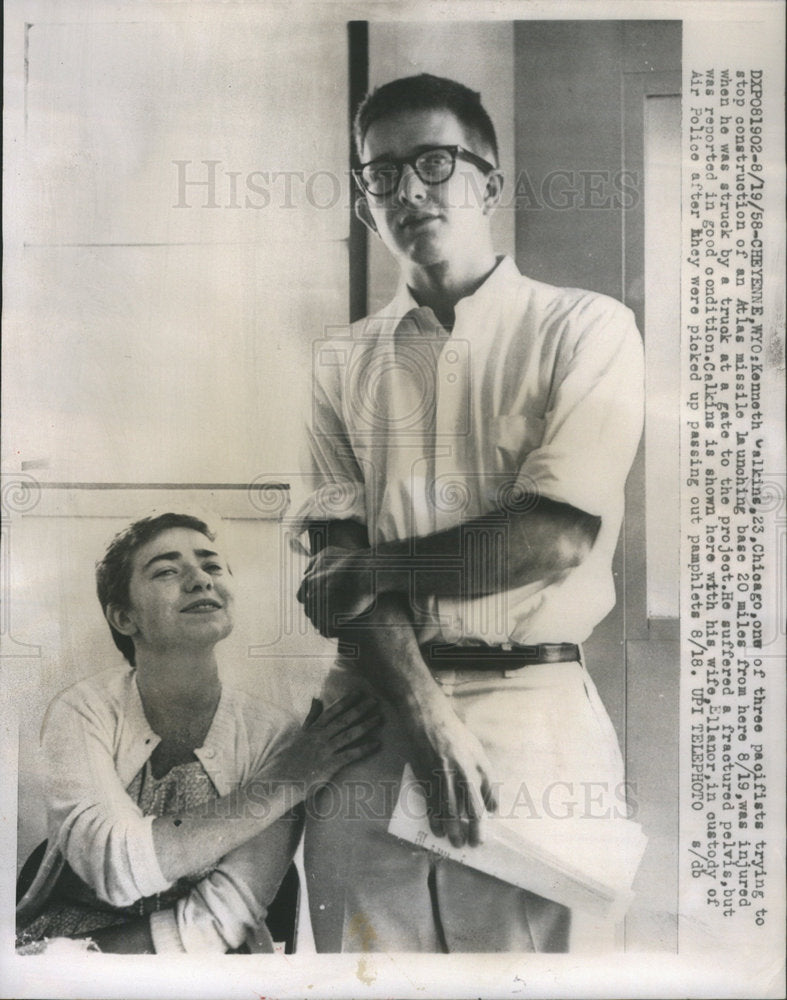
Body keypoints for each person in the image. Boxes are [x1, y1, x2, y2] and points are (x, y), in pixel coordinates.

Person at [295, 74, 645, 952]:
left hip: (536, 719)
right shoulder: (342, 362)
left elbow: (551, 538)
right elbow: (332, 571)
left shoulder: (585, 328)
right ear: (366, 202)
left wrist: (375, 567)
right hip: (371, 718)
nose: (409, 190)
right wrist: (423, 714)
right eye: (382, 175)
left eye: (435, 163)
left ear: (488, 182)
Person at [16, 511, 381, 954]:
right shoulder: (81, 710)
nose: (200, 580)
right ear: (124, 617)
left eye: (211, 565)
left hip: (197, 962)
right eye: (167, 571)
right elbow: (114, 868)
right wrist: (285, 783)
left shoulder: (277, 738)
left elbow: (223, 915)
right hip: (58, 951)